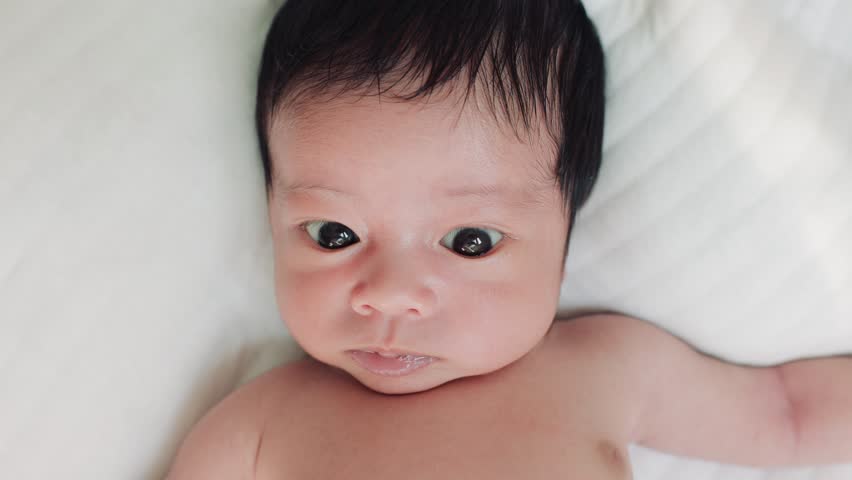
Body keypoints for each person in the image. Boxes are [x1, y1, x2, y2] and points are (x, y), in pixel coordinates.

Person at [167, 1, 852, 477]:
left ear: (565, 236)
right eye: (334, 233)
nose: (392, 296)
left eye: (470, 241)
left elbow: (786, 413)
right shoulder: (256, 426)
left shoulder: (604, 368)